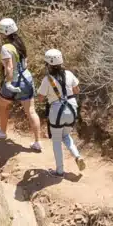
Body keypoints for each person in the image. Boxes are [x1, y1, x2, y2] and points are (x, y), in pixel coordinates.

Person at [0, 18, 42, 151]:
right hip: (27, 78)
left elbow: (9, 68)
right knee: (31, 111)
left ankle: (2, 132)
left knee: (2, 105)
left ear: (3, 32)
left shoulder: (6, 48)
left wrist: (9, 82)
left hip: (15, 80)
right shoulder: (20, 43)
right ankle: (37, 142)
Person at [37, 49, 85, 178]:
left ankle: (59, 171)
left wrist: (51, 95)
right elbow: (77, 90)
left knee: (57, 141)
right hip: (72, 109)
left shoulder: (47, 79)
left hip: (57, 111)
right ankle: (77, 156)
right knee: (66, 136)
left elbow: (40, 98)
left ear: (48, 64)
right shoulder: (69, 74)